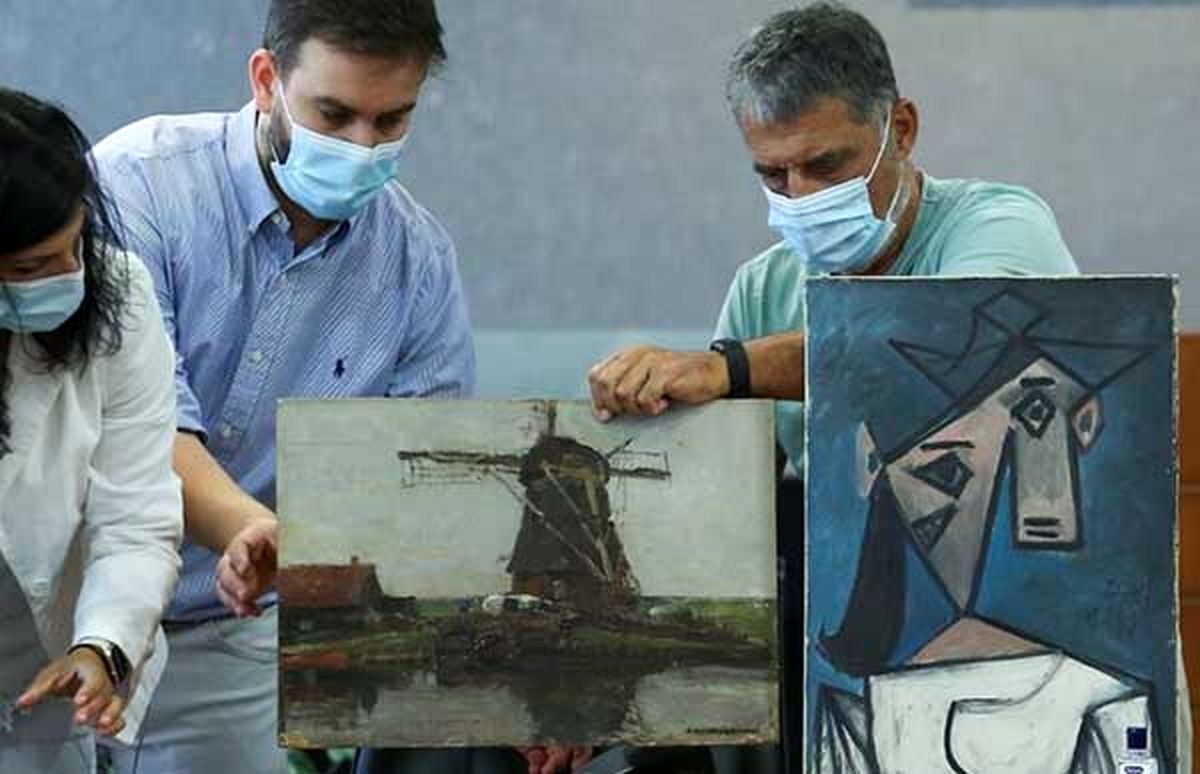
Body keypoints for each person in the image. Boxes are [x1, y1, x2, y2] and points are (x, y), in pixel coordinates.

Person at [587, 4, 1081, 772]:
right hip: (854, 641)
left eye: (825, 166)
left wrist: (734, 369)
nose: (800, 195)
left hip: (1035, 633)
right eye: (772, 174)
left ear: (901, 129)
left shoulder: (1000, 226)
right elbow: (715, 521)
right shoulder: (764, 290)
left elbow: (952, 344)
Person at [90, 1, 489, 772]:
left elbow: (427, 489)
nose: (362, 148)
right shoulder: (138, 185)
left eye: (392, 120)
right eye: (333, 115)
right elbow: (137, 419)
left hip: (229, 634)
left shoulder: (418, 263)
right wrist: (253, 530)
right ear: (266, 79)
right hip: (64, 606)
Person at [0, 88, 182, 773]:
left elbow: (138, 513)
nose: (70, 276)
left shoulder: (119, 295)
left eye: (75, 244)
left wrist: (102, 646)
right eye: (30, 268)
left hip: (37, 674)